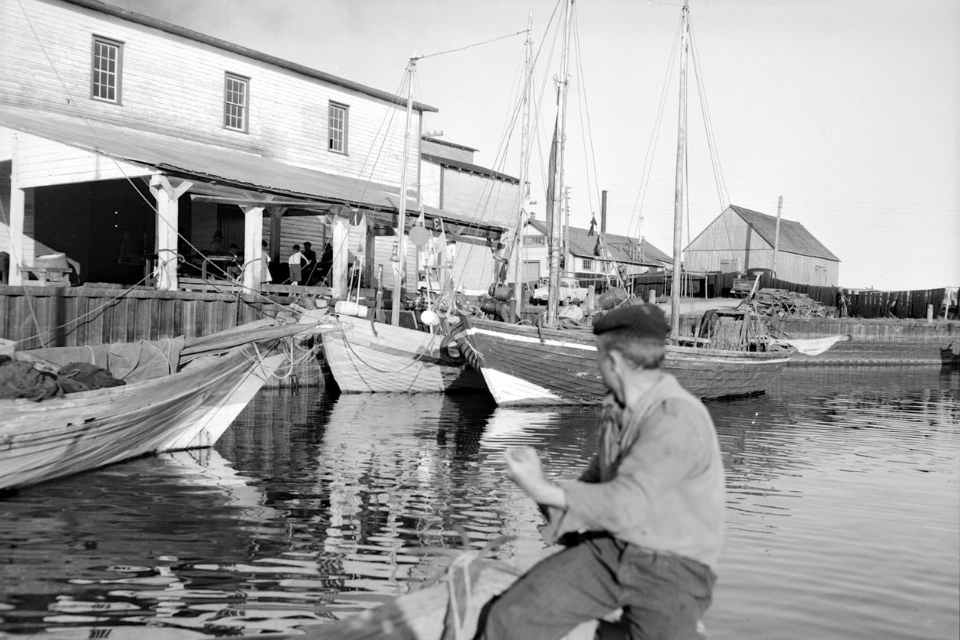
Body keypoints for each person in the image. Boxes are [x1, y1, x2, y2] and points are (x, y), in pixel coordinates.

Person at [481, 304, 726, 640]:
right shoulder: (618, 411)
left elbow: (627, 505)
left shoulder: (676, 417)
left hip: (672, 568)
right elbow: (591, 494)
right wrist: (537, 485)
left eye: (597, 355)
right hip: (611, 549)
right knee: (510, 620)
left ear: (612, 360)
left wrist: (540, 488)